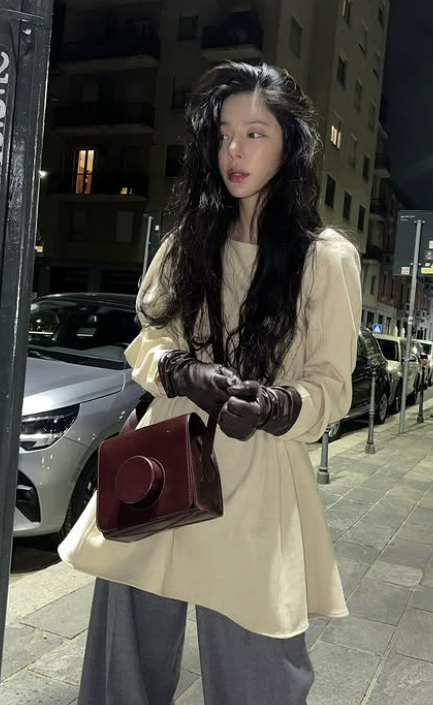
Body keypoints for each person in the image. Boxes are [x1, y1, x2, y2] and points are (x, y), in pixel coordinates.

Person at [59, 61, 362, 705]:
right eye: (224, 134)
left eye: (255, 133)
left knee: (259, 678)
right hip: (160, 463)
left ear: (290, 144)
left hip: (258, 479)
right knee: (121, 673)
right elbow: (149, 337)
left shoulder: (325, 258)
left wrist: (276, 403)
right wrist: (180, 370)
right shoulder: (188, 240)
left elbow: (332, 385)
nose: (234, 151)